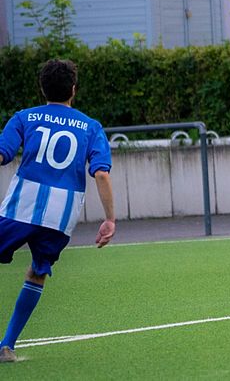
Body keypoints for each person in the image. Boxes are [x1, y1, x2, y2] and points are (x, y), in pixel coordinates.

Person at [0, 59, 116, 363]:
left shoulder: (25, 117)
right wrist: (109, 218)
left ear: (42, 89)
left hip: (21, 207)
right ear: (73, 90)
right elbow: (101, 174)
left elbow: (2, 154)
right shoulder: (91, 127)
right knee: (38, 272)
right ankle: (7, 345)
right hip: (60, 216)